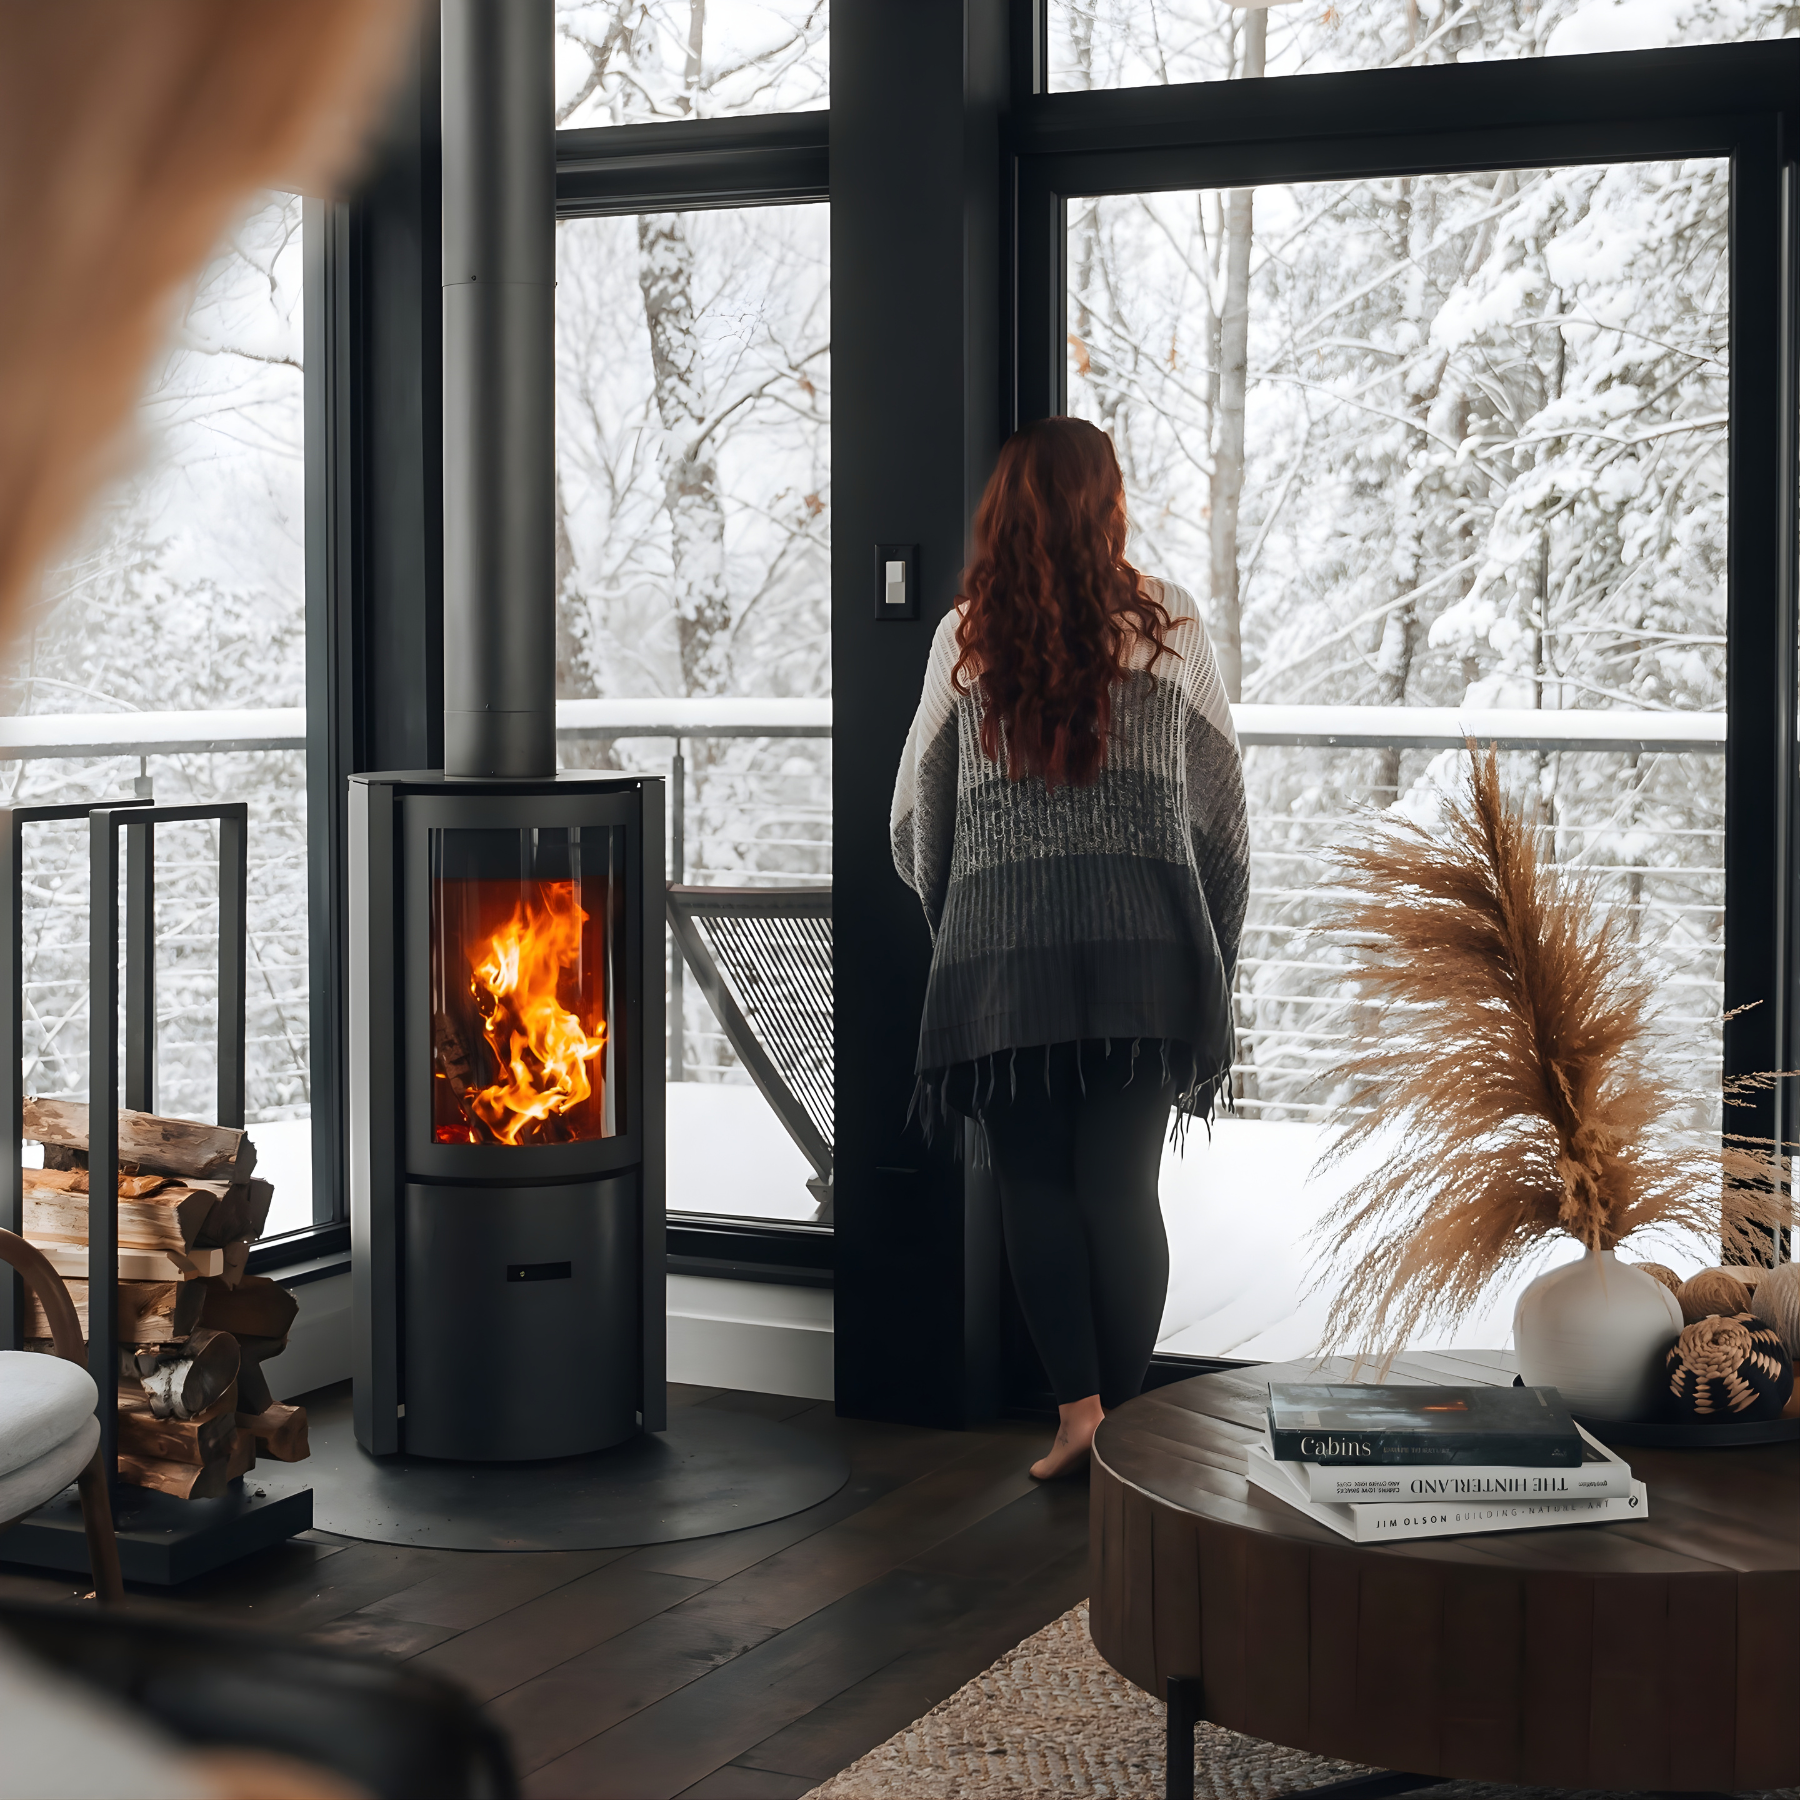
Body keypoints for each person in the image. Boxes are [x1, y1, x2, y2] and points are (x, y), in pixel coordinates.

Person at [891, 416, 1248, 1480]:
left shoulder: (965, 637)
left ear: (1004, 510)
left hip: (1002, 965)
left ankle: (1079, 1415)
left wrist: (963, 921)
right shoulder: (1173, 623)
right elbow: (1225, 816)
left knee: (1035, 1189)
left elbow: (917, 819)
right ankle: (1128, 1431)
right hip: (1146, 960)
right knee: (1122, 1193)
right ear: (1111, 505)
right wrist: (1210, 948)